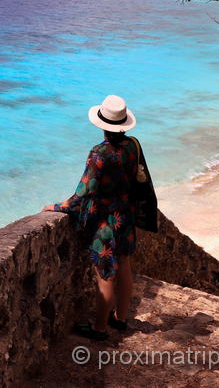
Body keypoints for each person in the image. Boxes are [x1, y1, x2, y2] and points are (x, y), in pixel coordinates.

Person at [42, 94, 156, 341]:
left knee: (105, 274)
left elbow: (85, 191)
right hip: (126, 216)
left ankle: (100, 328)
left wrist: (57, 206)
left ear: (103, 125)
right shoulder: (133, 145)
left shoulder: (99, 153)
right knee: (124, 265)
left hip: (105, 223)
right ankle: (121, 319)